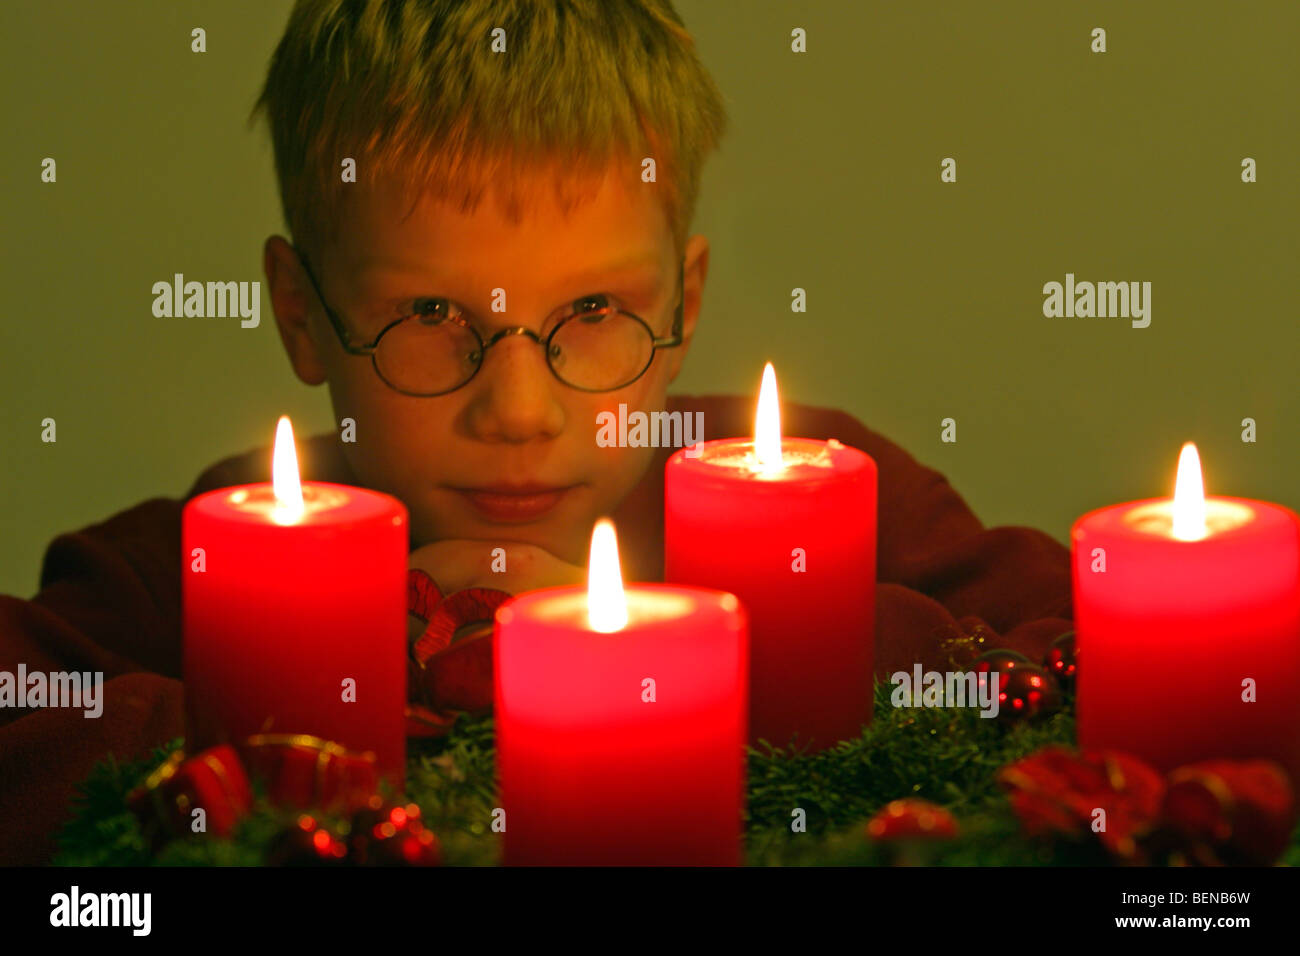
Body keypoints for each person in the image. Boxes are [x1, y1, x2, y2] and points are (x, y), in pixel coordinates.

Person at [0, 0, 1072, 865]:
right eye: (429, 317)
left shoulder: (823, 500)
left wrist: (725, 652)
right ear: (300, 311)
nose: (518, 411)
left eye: (595, 312)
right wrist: (337, 688)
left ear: (685, 304)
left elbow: (1080, 667)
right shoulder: (202, 565)